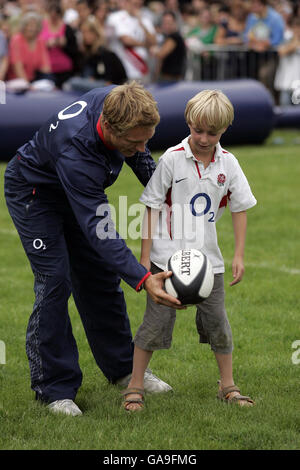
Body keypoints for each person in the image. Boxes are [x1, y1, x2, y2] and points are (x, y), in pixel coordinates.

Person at [4, 81, 183, 417]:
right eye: (135, 142)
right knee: (55, 280)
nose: (143, 147)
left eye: (148, 138)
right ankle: (53, 388)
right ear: (109, 128)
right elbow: (101, 232)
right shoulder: (77, 152)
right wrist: (144, 279)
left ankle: (123, 370)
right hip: (35, 195)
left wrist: (174, 201)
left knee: (100, 278)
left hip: (74, 189)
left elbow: (142, 157)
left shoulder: (122, 101)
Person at [121, 89, 257, 412]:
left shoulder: (229, 163)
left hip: (209, 263)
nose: (204, 138)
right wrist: (144, 259)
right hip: (166, 262)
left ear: (224, 131)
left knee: (219, 324)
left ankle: (228, 386)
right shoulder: (170, 158)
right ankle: (135, 385)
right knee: (153, 324)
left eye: (213, 132)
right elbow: (151, 206)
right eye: (198, 130)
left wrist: (238, 254)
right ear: (188, 122)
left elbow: (240, 207)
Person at [64, 15, 127, 91]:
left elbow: (109, 81)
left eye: (89, 32)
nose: (86, 36)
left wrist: (93, 80)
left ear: (96, 33)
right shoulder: (86, 53)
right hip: (93, 85)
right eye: (84, 33)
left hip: (109, 87)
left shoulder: (105, 53)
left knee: (72, 82)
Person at [106, 0, 157, 82]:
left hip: (143, 69)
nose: (137, 7)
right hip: (124, 70)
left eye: (140, 4)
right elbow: (126, 40)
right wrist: (145, 44)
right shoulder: (116, 17)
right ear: (127, 2)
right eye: (135, 4)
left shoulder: (145, 20)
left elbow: (153, 41)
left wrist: (142, 24)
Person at [244, 0, 285, 96]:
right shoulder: (252, 17)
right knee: (254, 80)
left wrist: (265, 44)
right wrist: (253, 43)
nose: (252, 7)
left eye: (255, 5)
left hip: (271, 56)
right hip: (254, 56)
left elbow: (278, 39)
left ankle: (269, 104)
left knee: (265, 78)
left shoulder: (275, 18)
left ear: (262, 5)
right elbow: (246, 36)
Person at [39, 0, 79, 88]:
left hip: (64, 70)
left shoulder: (67, 28)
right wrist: (46, 45)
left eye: (56, 16)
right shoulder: (41, 26)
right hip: (47, 69)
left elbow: (75, 50)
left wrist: (64, 45)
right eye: (51, 15)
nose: (53, 18)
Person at [7, 12, 52, 83]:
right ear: (24, 27)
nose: (32, 28)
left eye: (35, 26)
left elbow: (46, 66)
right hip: (17, 80)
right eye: (29, 25)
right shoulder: (16, 40)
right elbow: (17, 66)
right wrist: (27, 84)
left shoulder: (40, 41)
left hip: (34, 80)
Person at [150, 10, 186, 82]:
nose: (166, 25)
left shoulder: (174, 37)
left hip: (172, 79)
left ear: (175, 22)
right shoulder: (167, 36)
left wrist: (154, 50)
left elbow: (161, 54)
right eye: (164, 23)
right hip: (167, 78)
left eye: (169, 23)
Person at [274, 17, 300, 105]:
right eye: (295, 27)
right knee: (285, 109)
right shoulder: (286, 38)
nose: (297, 30)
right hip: (286, 82)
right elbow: (282, 52)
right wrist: (295, 41)